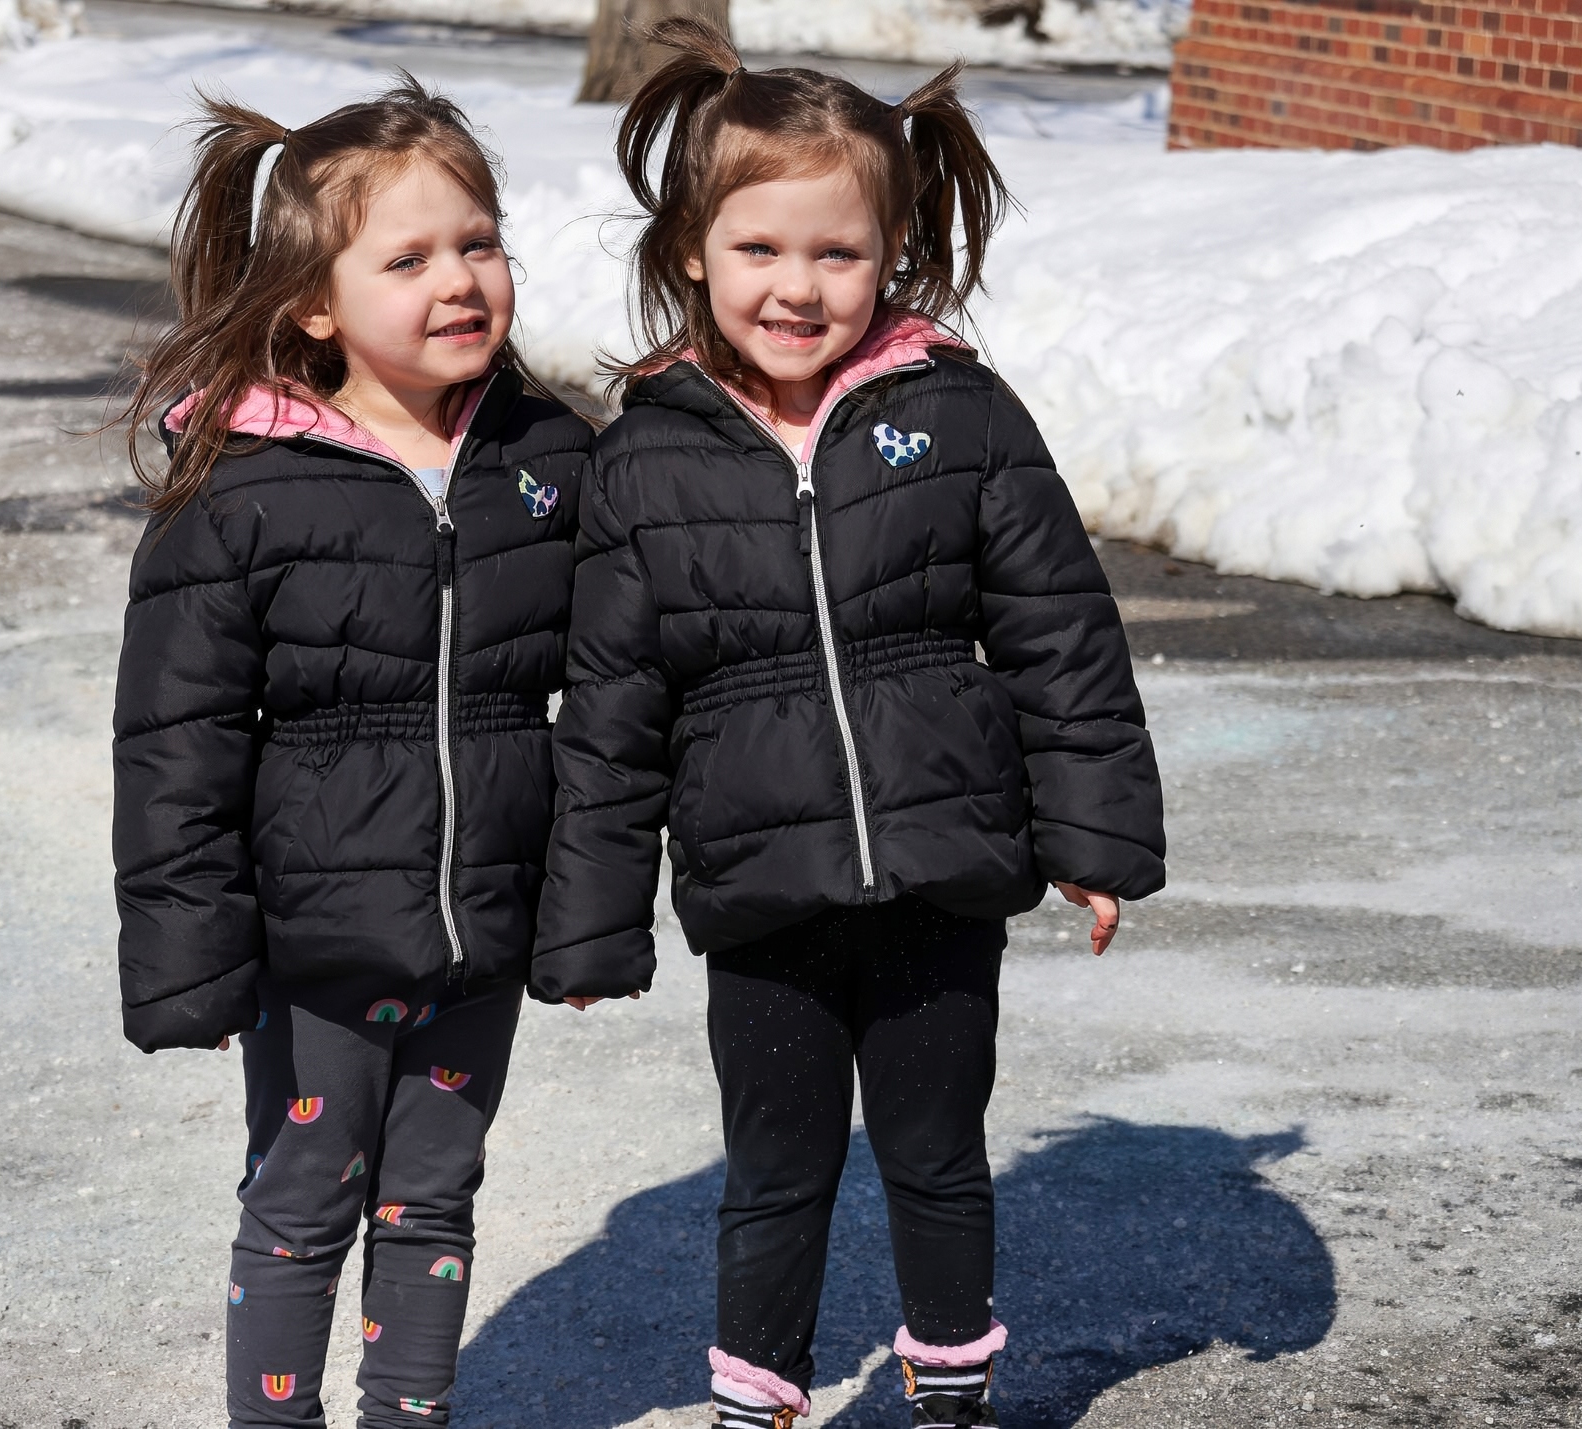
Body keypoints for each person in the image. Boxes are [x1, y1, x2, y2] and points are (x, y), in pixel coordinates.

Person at [530, 21, 1166, 1429]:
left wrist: (1097, 832)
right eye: (760, 250)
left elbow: (1060, 630)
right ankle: (761, 1397)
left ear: (892, 254)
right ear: (693, 246)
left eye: (837, 253)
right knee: (776, 1169)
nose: (799, 288)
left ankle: (951, 1393)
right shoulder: (648, 456)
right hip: (764, 897)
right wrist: (586, 922)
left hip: (942, 870)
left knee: (939, 1152)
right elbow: (614, 710)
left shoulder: (959, 414)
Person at [109, 80, 589, 1429]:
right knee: (305, 1190)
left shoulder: (548, 459)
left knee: (436, 1191)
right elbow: (173, 740)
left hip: (481, 918)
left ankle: (405, 1417)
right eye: (411, 257)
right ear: (314, 303)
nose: (461, 279)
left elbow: (630, 670)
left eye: (480, 242)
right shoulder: (246, 488)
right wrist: (188, 944)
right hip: (314, 935)